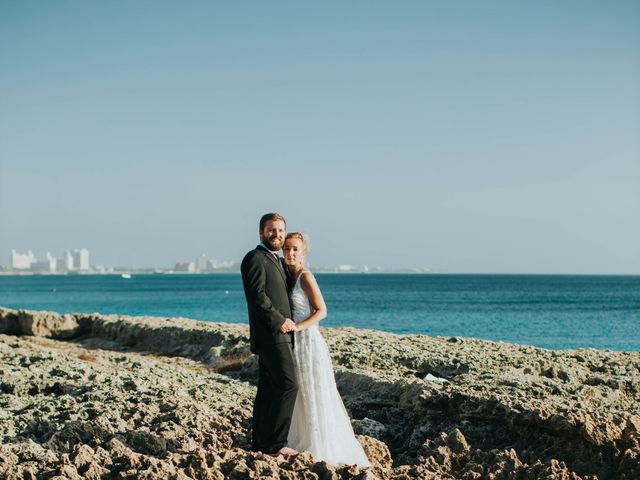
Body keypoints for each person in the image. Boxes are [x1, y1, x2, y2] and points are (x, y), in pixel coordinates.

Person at [283, 232, 371, 467]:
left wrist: (298, 328)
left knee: (315, 390)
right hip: (295, 344)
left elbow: (322, 310)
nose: (290, 253)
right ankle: (302, 440)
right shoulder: (287, 276)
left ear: (303, 252)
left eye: (295, 249)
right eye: (287, 249)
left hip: (309, 341)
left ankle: (322, 446)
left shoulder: (305, 276)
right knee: (299, 391)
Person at [240, 213, 299, 458]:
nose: (277, 234)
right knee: (288, 384)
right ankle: (276, 444)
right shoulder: (254, 258)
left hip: (280, 334)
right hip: (272, 333)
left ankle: (261, 444)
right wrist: (279, 321)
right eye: (271, 230)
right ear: (261, 233)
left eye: (280, 230)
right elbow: (257, 297)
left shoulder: (276, 260)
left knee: (269, 389)